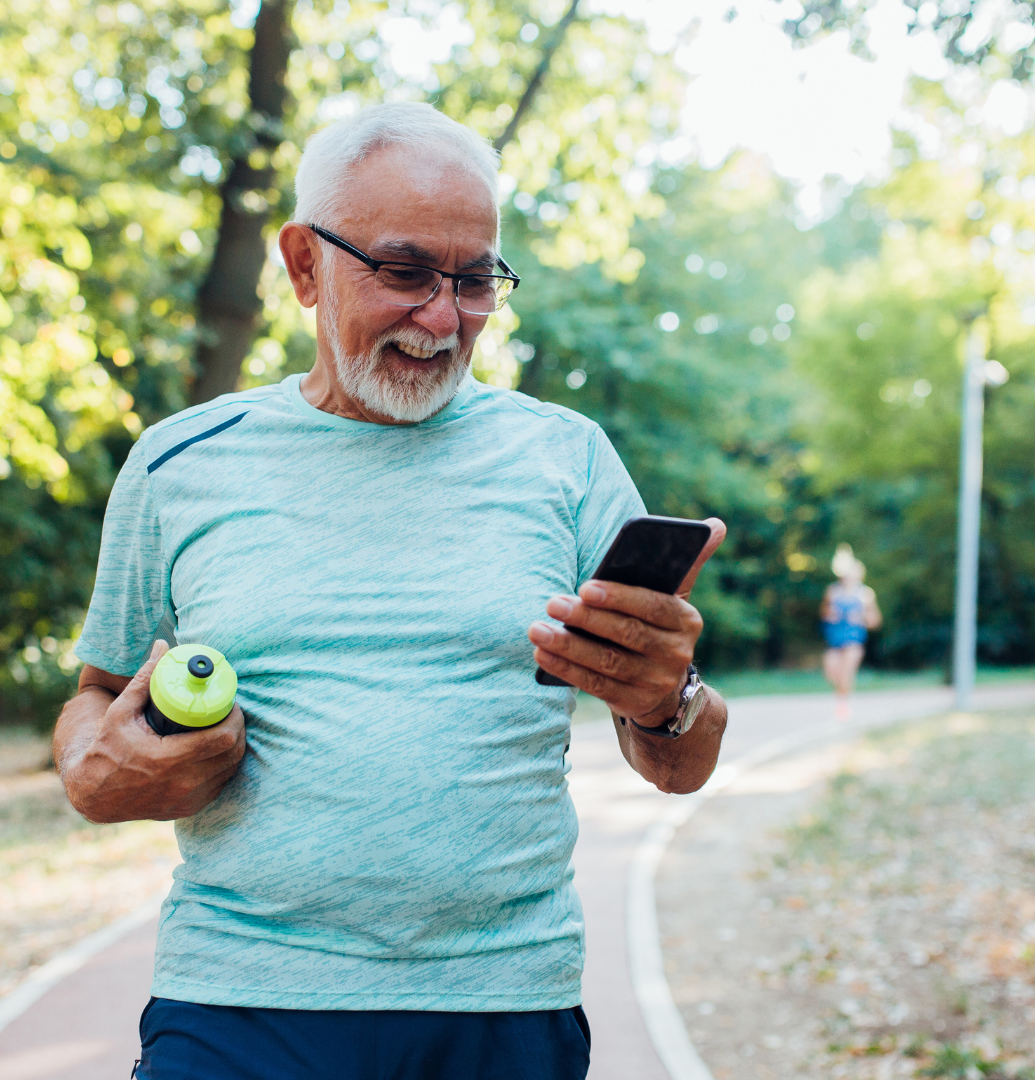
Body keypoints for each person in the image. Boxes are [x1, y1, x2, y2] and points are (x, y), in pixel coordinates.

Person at [51, 101, 731, 1080]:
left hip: (503, 1002)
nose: (445, 318)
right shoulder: (179, 464)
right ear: (302, 266)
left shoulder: (566, 459)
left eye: (476, 281)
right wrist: (94, 770)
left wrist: (670, 700)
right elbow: (93, 694)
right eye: (406, 272)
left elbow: (684, 763)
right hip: (241, 998)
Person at [820, 544, 881, 718]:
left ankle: (843, 705)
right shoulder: (833, 591)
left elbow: (875, 621)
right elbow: (824, 612)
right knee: (831, 672)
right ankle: (842, 696)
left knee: (846, 672)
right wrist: (830, 614)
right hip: (834, 639)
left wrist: (861, 617)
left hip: (854, 640)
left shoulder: (865, 594)